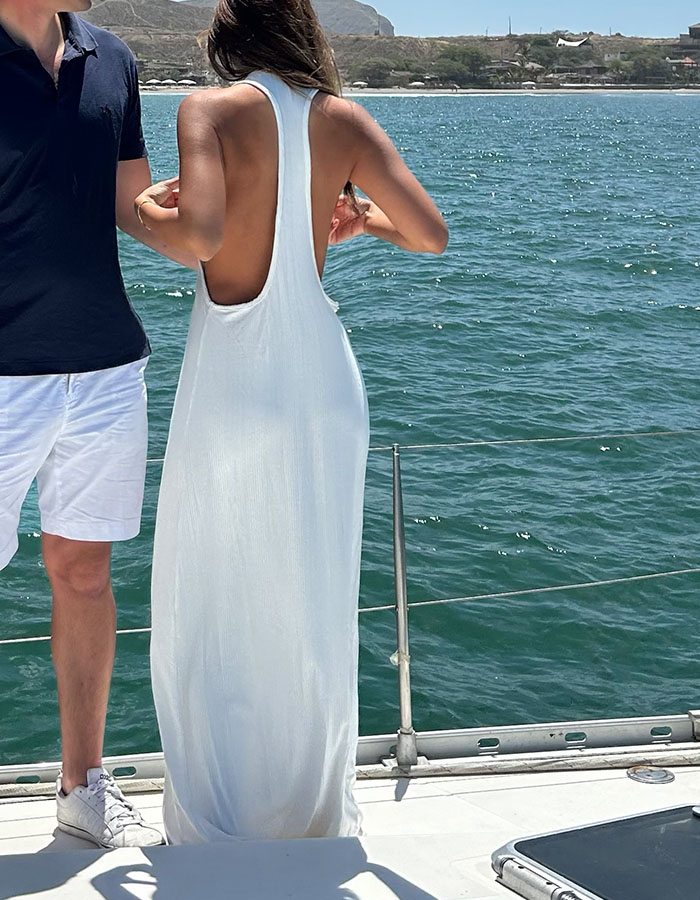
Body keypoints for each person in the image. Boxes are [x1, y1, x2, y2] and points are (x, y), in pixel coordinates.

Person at [139, 0, 448, 844]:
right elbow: (429, 235)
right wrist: (358, 219)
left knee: (211, 598)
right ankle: (306, 811)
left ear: (226, 40)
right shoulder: (342, 119)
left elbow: (198, 236)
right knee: (309, 601)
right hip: (322, 383)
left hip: (236, 380)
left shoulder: (209, 109)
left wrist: (136, 208)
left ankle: (219, 814)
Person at [0, 0, 196, 848]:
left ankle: (82, 784)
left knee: (84, 573)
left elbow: (133, 203)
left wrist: (248, 225)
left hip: (106, 368)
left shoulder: (110, 57)